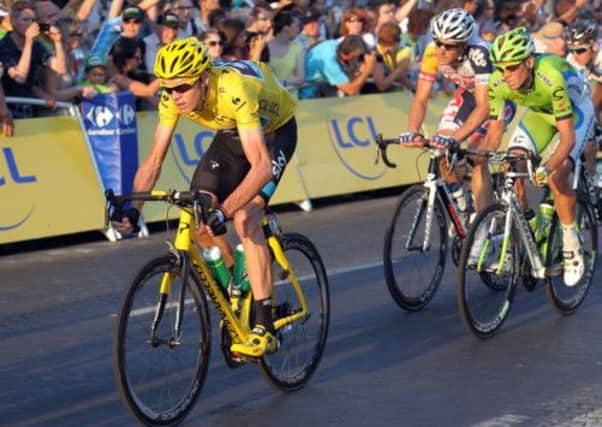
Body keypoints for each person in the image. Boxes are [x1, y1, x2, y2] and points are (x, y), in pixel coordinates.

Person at [112, 37, 298, 357]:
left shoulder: (234, 89)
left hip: (274, 132)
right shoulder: (173, 99)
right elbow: (155, 159)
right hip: (231, 133)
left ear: (203, 78)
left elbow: (262, 167)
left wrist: (224, 210)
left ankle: (264, 323)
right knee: (200, 218)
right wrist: (133, 211)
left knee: (245, 217)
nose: (175, 96)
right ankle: (238, 296)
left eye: (182, 87)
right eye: (168, 89)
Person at [483, 27, 595, 286]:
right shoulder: (497, 82)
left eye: (511, 68)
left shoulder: (551, 76)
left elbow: (566, 138)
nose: (505, 75)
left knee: (557, 175)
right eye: (500, 68)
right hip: (539, 114)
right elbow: (494, 133)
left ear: (529, 62)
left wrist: (548, 166)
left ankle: (571, 244)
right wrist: (480, 158)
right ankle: (529, 226)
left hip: (576, 111)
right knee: (512, 162)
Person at [401, 9, 513, 214]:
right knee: (440, 148)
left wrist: (457, 138)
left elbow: (484, 106)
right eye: (438, 42)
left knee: (477, 157)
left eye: (450, 46)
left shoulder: (479, 53)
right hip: (467, 96)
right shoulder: (431, 52)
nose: (441, 50)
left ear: (464, 45)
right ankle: (462, 206)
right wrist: (413, 130)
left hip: (495, 100)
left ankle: (482, 225)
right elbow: (420, 98)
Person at [0, 1, 67, 118]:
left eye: (33, 21)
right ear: (13, 22)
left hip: (29, 110)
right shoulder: (4, 46)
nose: (31, 25)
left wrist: (57, 42)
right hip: (7, 111)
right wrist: (28, 42)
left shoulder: (37, 46)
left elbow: (60, 69)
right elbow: (19, 78)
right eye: (25, 20)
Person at [299, 34, 376, 99]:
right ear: (351, 55)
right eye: (357, 56)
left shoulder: (334, 44)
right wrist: (367, 69)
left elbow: (347, 78)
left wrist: (358, 71)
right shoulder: (330, 62)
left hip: (319, 89)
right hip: (308, 96)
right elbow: (351, 90)